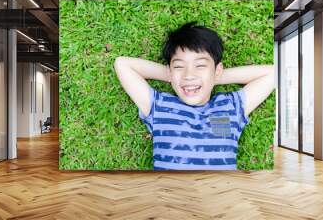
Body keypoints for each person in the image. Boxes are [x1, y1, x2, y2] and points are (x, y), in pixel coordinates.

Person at [114, 22, 274, 170]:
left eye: (200, 65)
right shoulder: (159, 106)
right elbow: (122, 64)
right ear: (169, 71)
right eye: (179, 66)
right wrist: (174, 77)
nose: (189, 75)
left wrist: (212, 78)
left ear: (217, 70)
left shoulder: (230, 107)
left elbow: (272, 73)